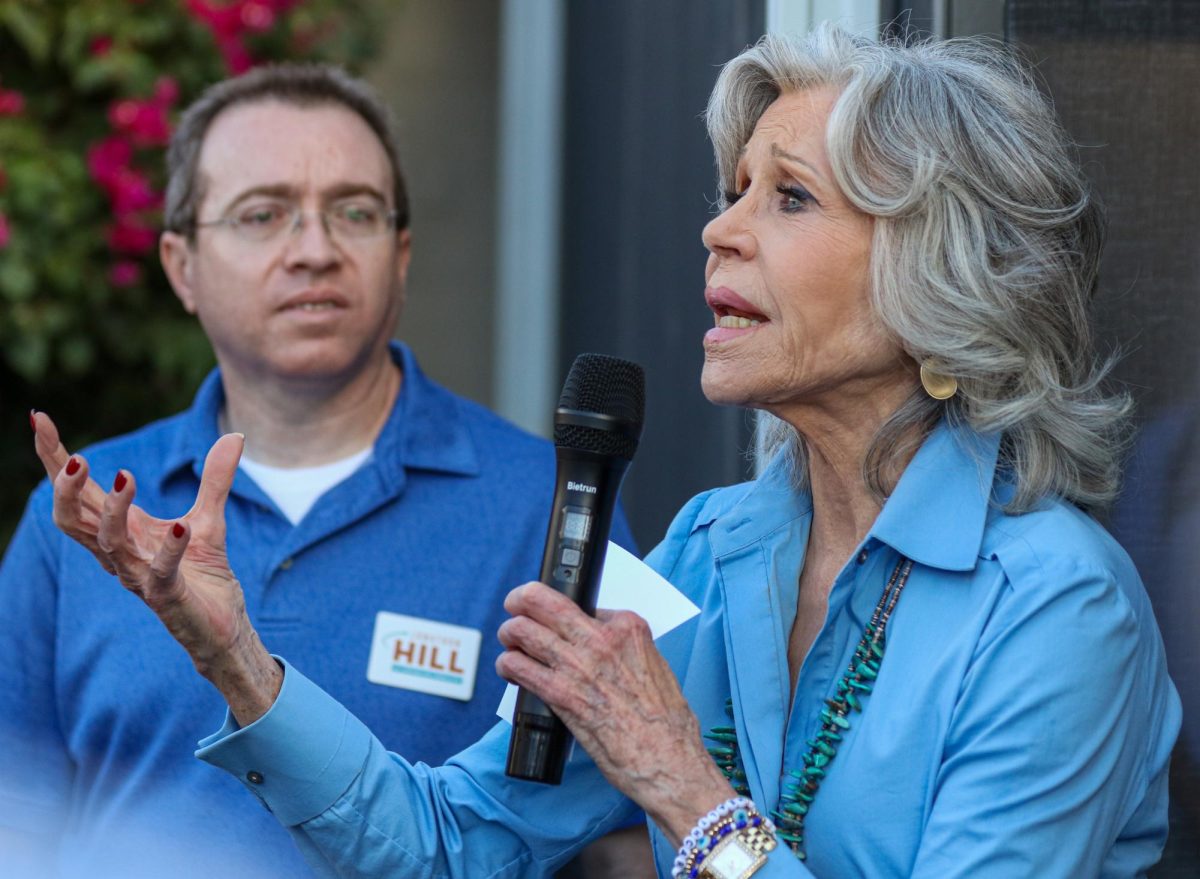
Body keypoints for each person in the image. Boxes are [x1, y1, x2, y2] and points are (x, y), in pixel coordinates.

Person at [30, 25, 1180, 879]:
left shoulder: (1058, 607)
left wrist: (681, 785)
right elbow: (447, 841)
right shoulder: (704, 549)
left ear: (939, 271)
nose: (718, 228)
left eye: (788, 198)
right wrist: (236, 658)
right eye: (733, 191)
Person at [0, 65, 646, 879]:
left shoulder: (544, 505)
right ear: (181, 265)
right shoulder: (87, 516)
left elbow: (620, 842)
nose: (314, 250)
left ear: (401, 253)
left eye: (354, 211)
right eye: (263, 214)